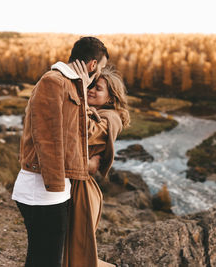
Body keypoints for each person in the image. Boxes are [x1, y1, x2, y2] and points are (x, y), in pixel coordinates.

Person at [12, 37, 109, 267]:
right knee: (46, 260)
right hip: (43, 190)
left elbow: (71, 130)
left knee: (43, 259)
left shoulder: (73, 85)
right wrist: (56, 189)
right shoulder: (53, 81)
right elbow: (47, 138)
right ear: (93, 64)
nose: (98, 75)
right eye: (101, 68)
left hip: (53, 191)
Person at [63, 65, 130, 267]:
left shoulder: (112, 118)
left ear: (110, 98)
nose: (91, 90)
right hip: (75, 182)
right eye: (90, 85)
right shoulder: (96, 111)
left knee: (77, 251)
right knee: (69, 248)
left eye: (97, 88)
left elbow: (86, 132)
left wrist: (80, 97)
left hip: (82, 189)